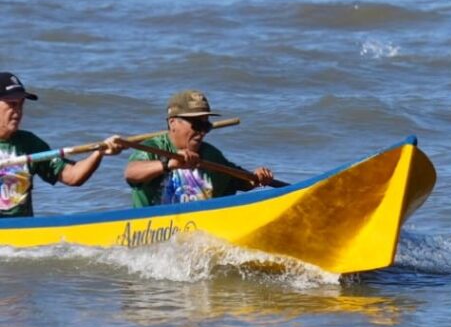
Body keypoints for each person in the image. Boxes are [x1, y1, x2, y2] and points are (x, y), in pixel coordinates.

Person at [0, 72, 122, 217]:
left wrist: (99, 152)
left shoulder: (30, 144)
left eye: (21, 105)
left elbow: (73, 176)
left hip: (22, 230)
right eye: (12, 104)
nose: (18, 111)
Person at [124, 90, 274, 207]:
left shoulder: (211, 155)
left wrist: (257, 178)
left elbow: (239, 181)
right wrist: (167, 164)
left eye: (206, 125)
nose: (202, 131)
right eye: (196, 124)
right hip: (153, 230)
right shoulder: (153, 148)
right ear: (173, 123)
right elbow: (131, 173)